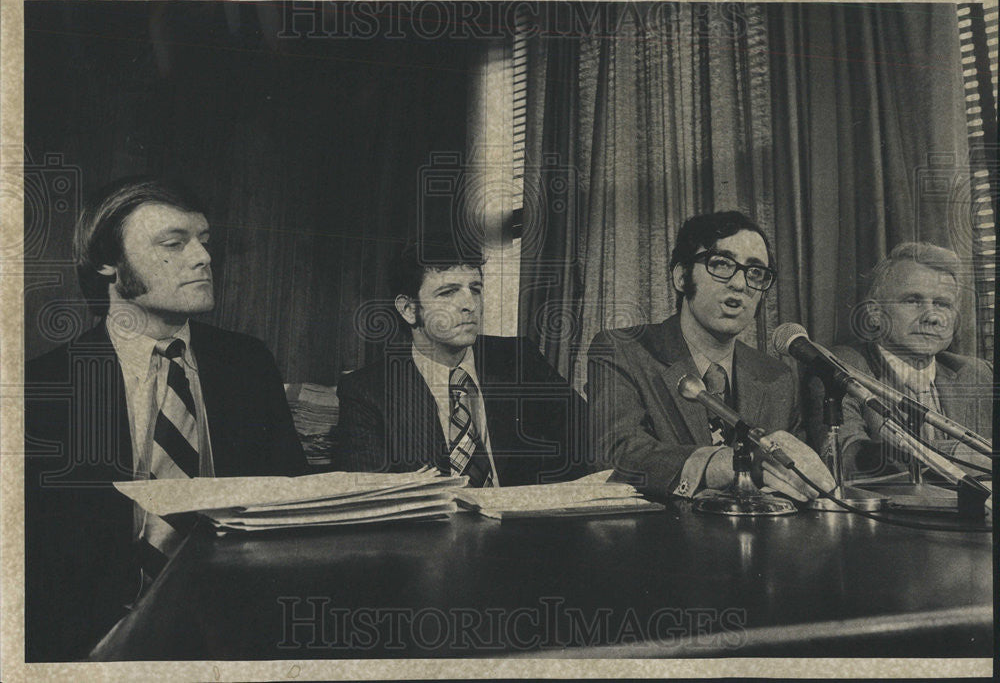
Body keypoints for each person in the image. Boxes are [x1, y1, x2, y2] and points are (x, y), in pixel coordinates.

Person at [24, 177, 307, 661]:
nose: (203, 258)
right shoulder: (43, 387)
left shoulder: (247, 364)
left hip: (235, 635)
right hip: (94, 644)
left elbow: (293, 507)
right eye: (173, 244)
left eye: (204, 241)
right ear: (107, 262)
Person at [587, 211, 835, 501]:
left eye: (755, 273)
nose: (740, 284)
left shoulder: (776, 377)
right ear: (682, 277)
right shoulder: (623, 350)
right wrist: (721, 464)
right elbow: (613, 456)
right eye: (721, 264)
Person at [336, 236, 587, 486]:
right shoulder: (366, 391)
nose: (470, 304)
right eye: (448, 292)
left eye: (475, 289)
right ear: (409, 309)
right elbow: (373, 500)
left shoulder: (519, 359)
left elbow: (587, 438)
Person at [804, 242, 993, 481]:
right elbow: (847, 460)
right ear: (874, 314)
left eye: (942, 304)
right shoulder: (841, 368)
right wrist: (958, 454)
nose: (932, 317)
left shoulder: (980, 373)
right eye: (913, 301)